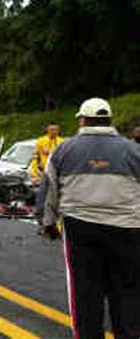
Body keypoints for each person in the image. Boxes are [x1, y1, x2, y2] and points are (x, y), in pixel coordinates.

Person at [40, 98, 140, 338]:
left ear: (82, 120)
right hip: (128, 229)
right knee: (128, 293)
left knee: (86, 293)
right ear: (110, 120)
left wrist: (47, 224)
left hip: (81, 228)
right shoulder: (133, 150)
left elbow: (49, 191)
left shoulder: (64, 150)